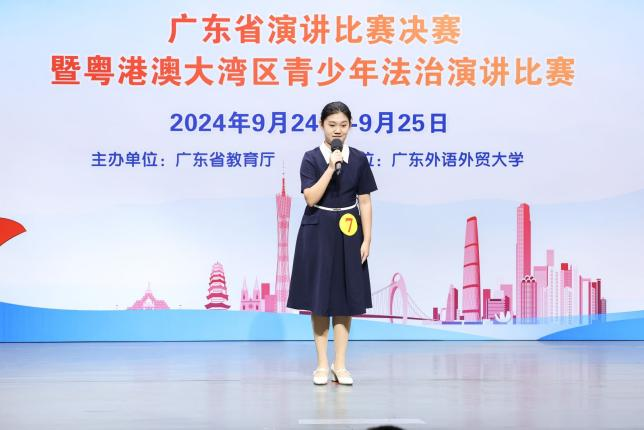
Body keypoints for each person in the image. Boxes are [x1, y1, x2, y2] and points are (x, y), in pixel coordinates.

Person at [287, 101, 378, 385]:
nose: (338, 130)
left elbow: (365, 201)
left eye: (343, 125)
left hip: (349, 230)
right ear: (321, 125)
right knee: (319, 299)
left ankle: (340, 364)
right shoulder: (311, 158)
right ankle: (322, 365)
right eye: (332, 125)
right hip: (318, 228)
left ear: (350, 126)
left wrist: (367, 238)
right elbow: (311, 198)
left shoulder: (359, 159)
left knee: (344, 299)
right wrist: (330, 167)